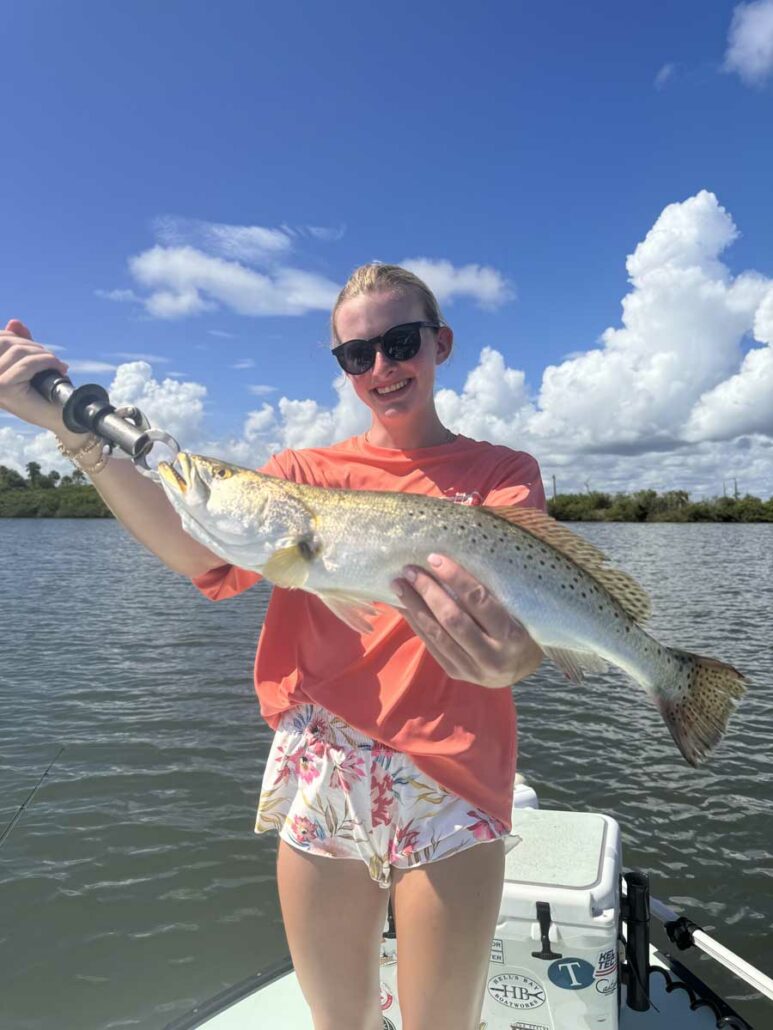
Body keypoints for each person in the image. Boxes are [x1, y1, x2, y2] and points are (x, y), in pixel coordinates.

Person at [0, 263, 545, 1030]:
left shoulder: (502, 473)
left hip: (453, 766)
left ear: (440, 344)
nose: (381, 368)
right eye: (358, 355)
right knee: (337, 1021)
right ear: (343, 369)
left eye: (399, 343)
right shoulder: (299, 475)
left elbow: (523, 627)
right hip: (320, 761)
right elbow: (199, 554)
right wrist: (74, 433)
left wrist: (518, 660)